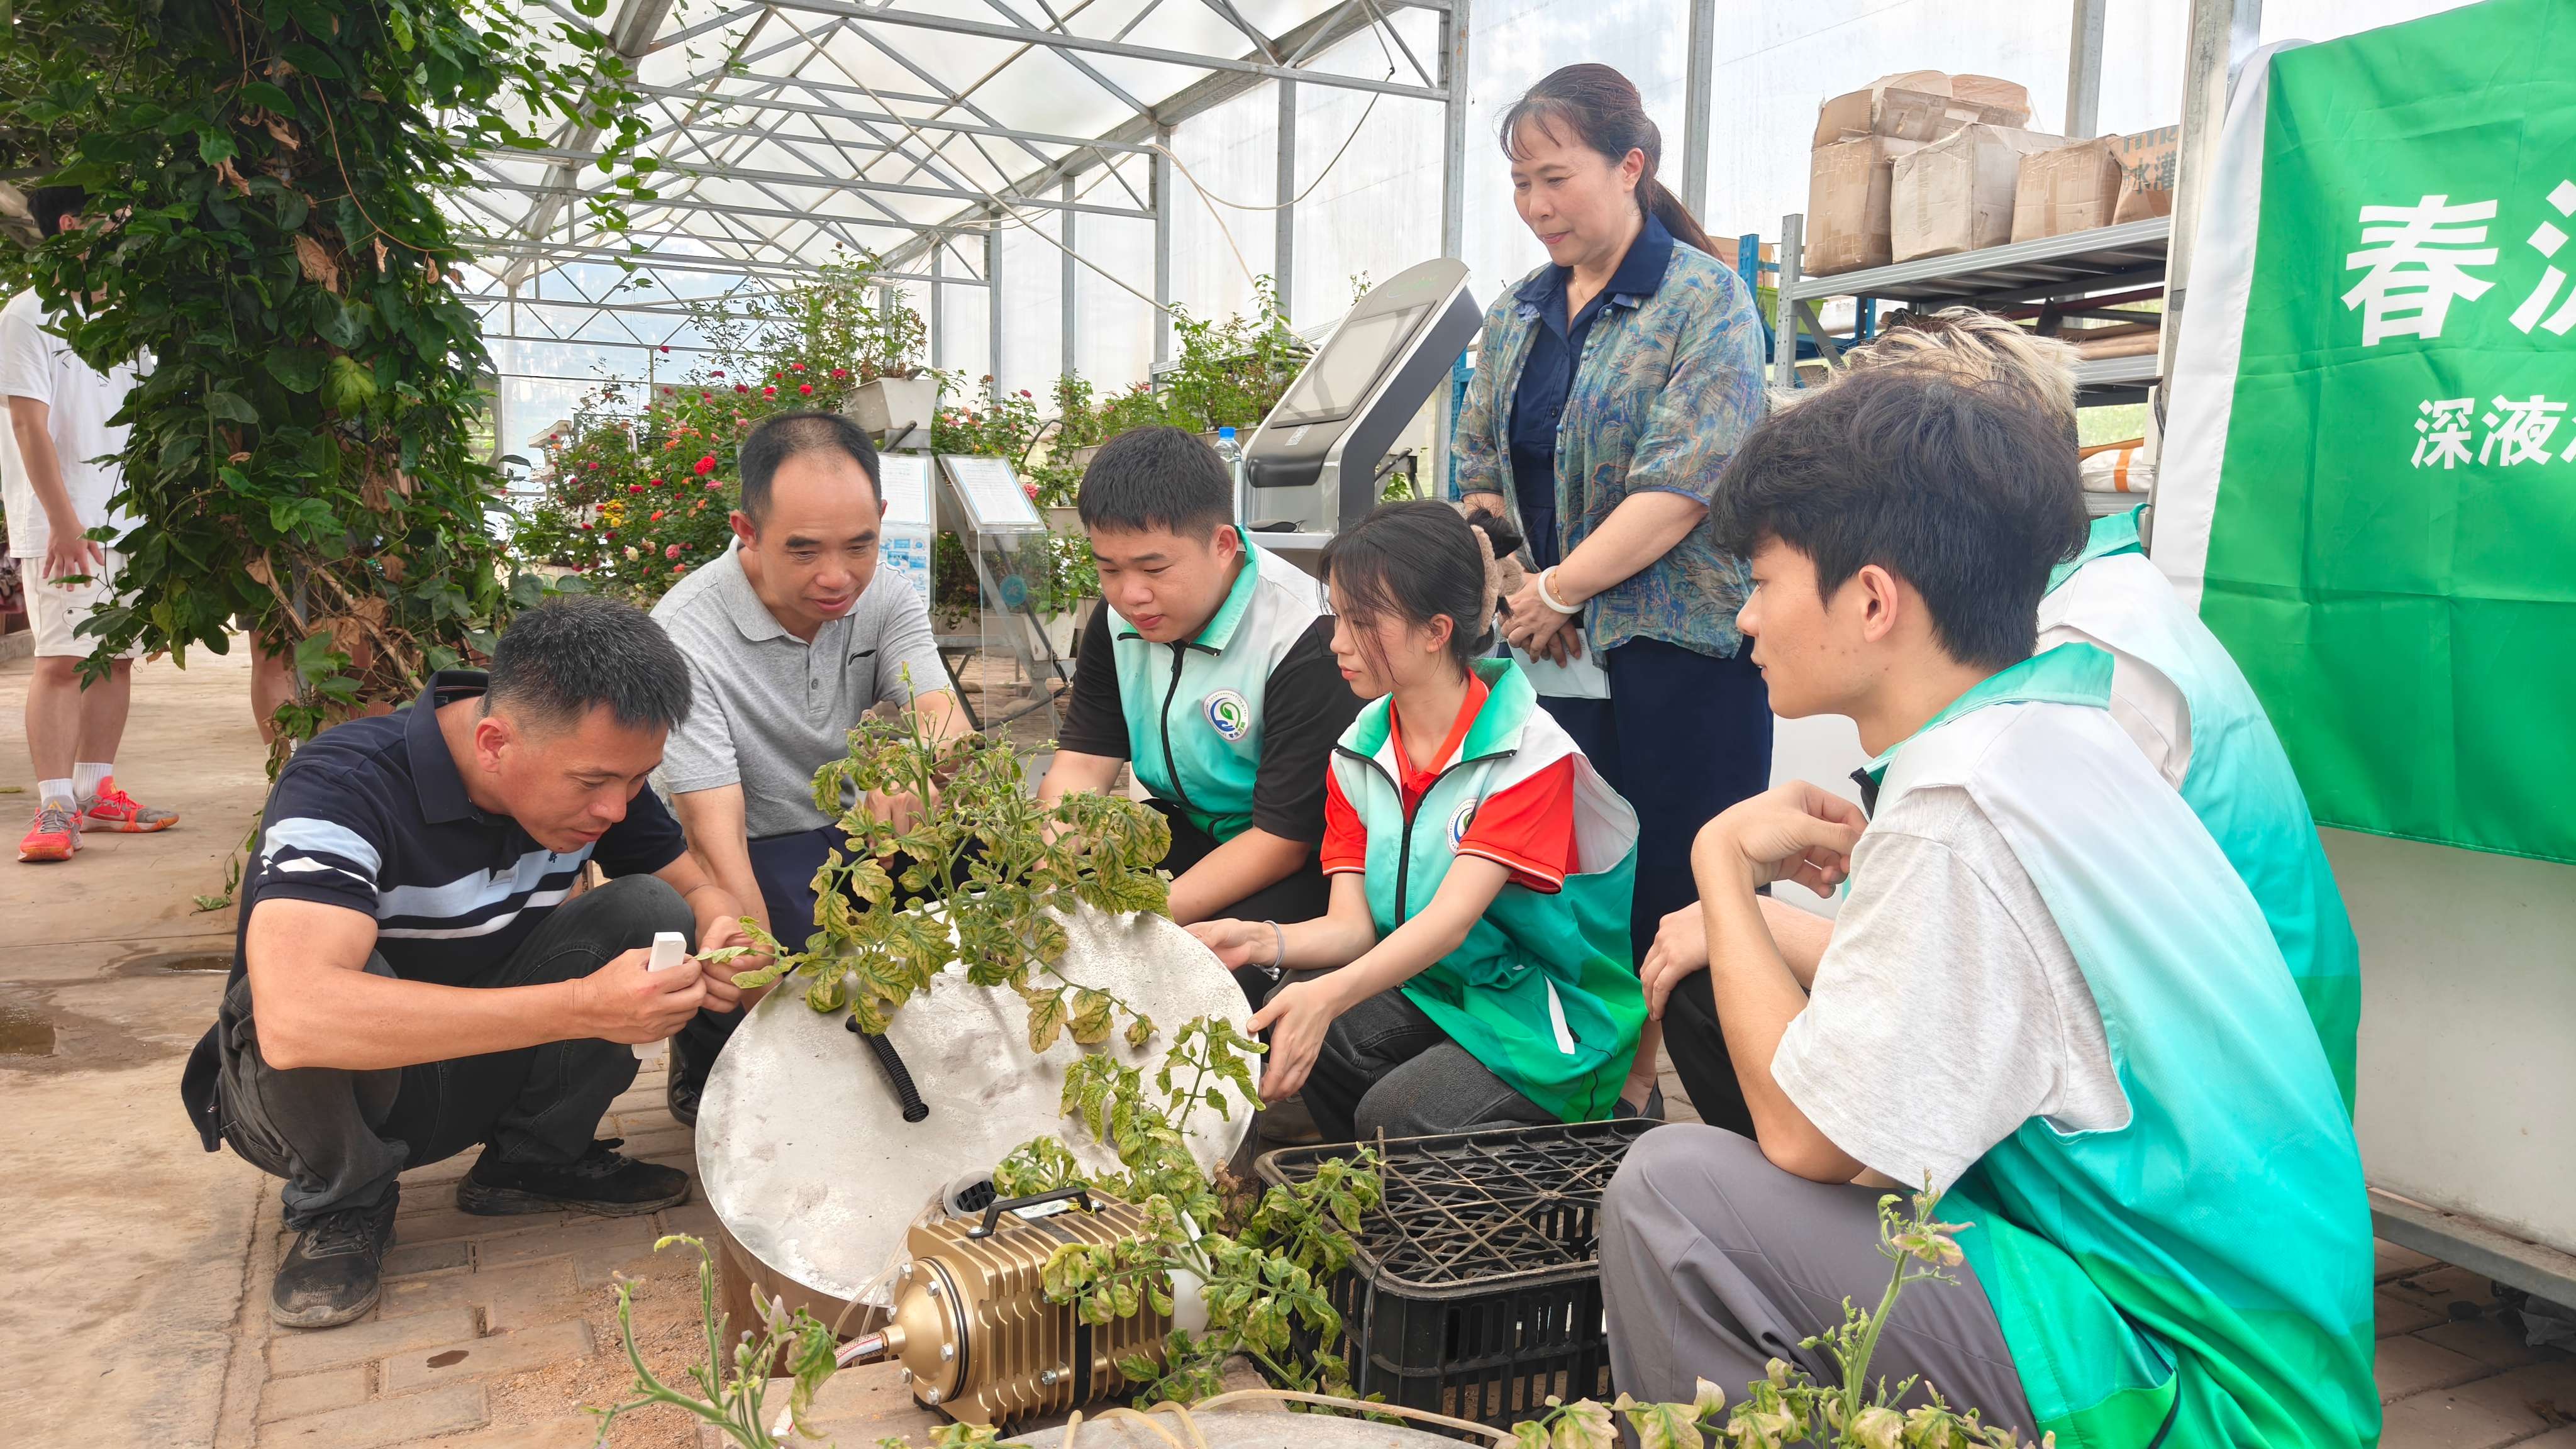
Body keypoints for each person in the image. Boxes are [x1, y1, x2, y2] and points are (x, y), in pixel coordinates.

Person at [1598, 369, 2376, 1448]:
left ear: (1872, 600)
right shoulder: (2058, 727)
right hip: (2280, 1352)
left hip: (2212, 1388)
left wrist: (1720, 860)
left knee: (1677, 1195)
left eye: (1763, 578)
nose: (1744, 615)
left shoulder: (1960, 801)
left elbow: (1807, 1137)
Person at [1645, 308, 2362, 1118]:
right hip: (2172, 1076)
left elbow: (2020, 974)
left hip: (2198, 1099)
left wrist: (1751, 916)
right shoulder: (2070, 620)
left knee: (1729, 986)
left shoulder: (2080, 657)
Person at [177, 597, 762, 1330]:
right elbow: (295, 1022)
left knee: (647, 909)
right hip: (317, 1099)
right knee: (302, 989)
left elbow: (693, 885)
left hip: (471, 1066)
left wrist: (719, 922)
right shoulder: (344, 787)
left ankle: (532, 1160)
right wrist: (583, 1006)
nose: (616, 808)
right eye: (592, 785)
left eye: (637, 780)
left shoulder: (603, 776)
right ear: (494, 742)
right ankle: (344, 1202)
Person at [1453, 64, 1771, 1116]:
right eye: (1518, 184)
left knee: (1685, 897)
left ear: (1630, 166)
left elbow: (1681, 487)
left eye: (1555, 178)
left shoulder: (1703, 300)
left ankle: (1732, 1124)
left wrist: (1558, 586)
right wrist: (1510, 582)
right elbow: (1479, 468)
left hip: (1678, 651)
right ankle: (1604, 1103)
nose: (1536, 206)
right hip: (1547, 651)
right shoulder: (1519, 316)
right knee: (1580, 882)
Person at [1191, 501, 1646, 1141]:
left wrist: (1328, 996)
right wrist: (1259, 940)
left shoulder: (1527, 754)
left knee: (1395, 1105)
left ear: (1435, 631)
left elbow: (1450, 921)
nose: (1337, 642)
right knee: (1303, 1017)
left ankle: (1532, 1171)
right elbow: (1353, 928)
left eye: (1361, 622)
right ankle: (1396, 1197)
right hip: (1445, 989)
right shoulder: (1360, 749)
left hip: (1548, 1014)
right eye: (1336, 615)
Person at [651, 411, 966, 1125]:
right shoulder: (684, 635)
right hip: (754, 841)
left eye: (860, 544)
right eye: (803, 551)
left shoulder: (883, 593)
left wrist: (909, 768)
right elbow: (711, 831)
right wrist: (772, 1013)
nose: (837, 577)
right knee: (773, 970)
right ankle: (711, 1040)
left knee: (972, 867)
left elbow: (942, 717)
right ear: (747, 530)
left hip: (847, 827)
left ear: (882, 519)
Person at [1039, 426, 1362, 1004]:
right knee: (1014, 892)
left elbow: (1280, 839)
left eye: (1154, 569)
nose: (1130, 594)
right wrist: (1049, 862)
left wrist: (1135, 919)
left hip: (1296, 861)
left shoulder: (1302, 636)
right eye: (1108, 569)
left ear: (1222, 545)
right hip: (1185, 825)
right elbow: (1085, 764)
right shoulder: (1117, 623)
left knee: (1186, 976)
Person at [6, 185, 174, 862]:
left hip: (127, 522)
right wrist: (65, 524)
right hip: (64, 524)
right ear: (73, 227)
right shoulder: (28, 314)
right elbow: (26, 423)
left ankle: (96, 791)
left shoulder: (125, 319)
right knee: (60, 663)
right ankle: (53, 808)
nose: (129, 231)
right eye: (119, 219)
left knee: (115, 661)